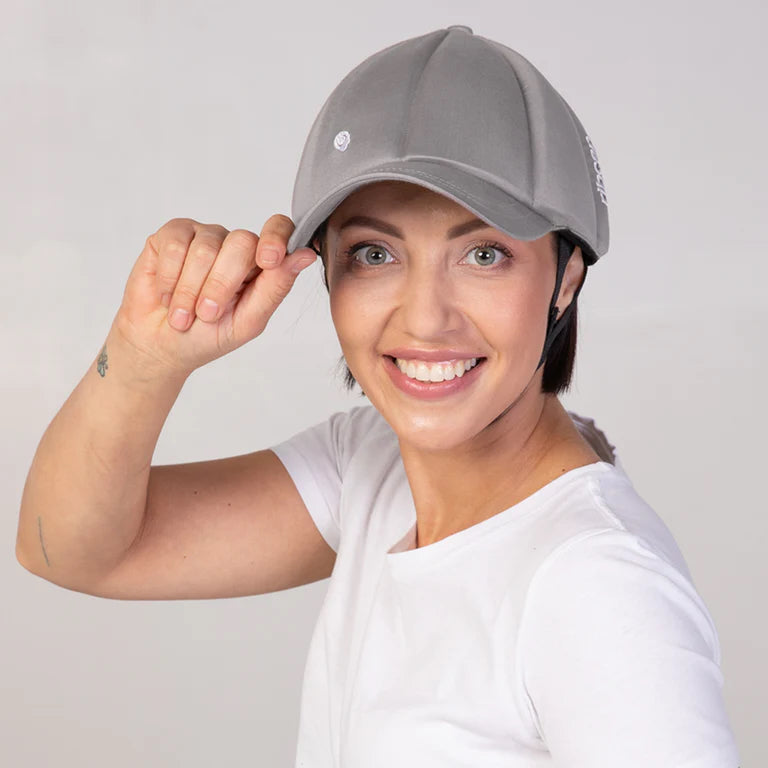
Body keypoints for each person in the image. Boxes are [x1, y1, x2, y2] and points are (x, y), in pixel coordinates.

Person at [15, 25, 740, 767]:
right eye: (374, 253)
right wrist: (144, 357)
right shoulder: (370, 469)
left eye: (484, 253)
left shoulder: (599, 588)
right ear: (326, 269)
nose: (425, 318)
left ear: (566, 279)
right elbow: (67, 550)